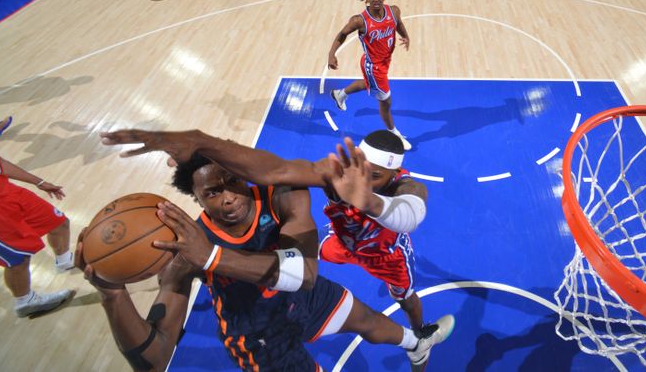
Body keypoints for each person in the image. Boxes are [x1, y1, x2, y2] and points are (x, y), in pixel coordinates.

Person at [93, 129, 454, 371]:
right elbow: (154, 359)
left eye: (232, 182)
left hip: (308, 295)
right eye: (212, 193)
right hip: (256, 334)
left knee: (370, 320)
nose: (229, 197)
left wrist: (199, 140)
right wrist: (112, 295)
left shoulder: (282, 195)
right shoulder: (187, 250)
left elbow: (307, 276)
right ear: (196, 198)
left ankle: (415, 342)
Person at [319, 131, 428, 337]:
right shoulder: (340, 170)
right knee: (288, 248)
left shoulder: (405, 186)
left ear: (395, 172)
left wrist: (367, 201)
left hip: (386, 258)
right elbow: (282, 171)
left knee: (405, 299)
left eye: (375, 176)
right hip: (342, 242)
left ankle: (420, 334)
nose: (365, 180)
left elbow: (413, 211)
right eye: (363, 170)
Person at [327, 0, 413, 150]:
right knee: (386, 102)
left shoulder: (393, 11)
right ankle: (394, 134)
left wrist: (406, 36)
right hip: (374, 67)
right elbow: (341, 35)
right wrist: (331, 54)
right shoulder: (359, 21)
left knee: (368, 84)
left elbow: (399, 24)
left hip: (385, 61)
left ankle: (340, 94)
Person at [0, 149, 74, 317]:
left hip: (7, 192)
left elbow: (0, 163)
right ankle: (25, 301)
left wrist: (39, 182)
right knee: (17, 260)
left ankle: (65, 260)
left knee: (59, 222)